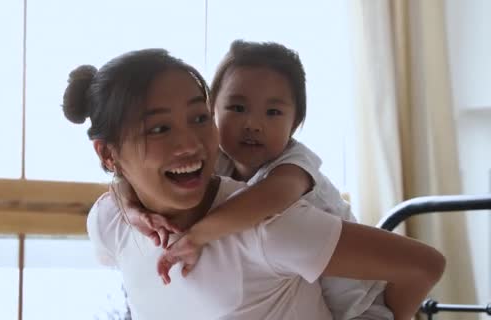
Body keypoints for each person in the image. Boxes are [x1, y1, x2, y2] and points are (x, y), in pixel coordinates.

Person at [64, 48, 445, 320]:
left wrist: (196, 236)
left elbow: (424, 265)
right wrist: (130, 208)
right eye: (160, 128)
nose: (191, 143)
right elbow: (119, 193)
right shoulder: (109, 220)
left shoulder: (270, 214)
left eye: (197, 119)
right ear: (107, 155)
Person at [122, 40, 392, 319]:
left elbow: (269, 199)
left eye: (273, 112)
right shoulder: (218, 159)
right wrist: (133, 211)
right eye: (238, 108)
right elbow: (124, 178)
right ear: (212, 109)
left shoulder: (294, 165)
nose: (253, 124)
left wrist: (196, 237)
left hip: (360, 307)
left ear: (295, 123)